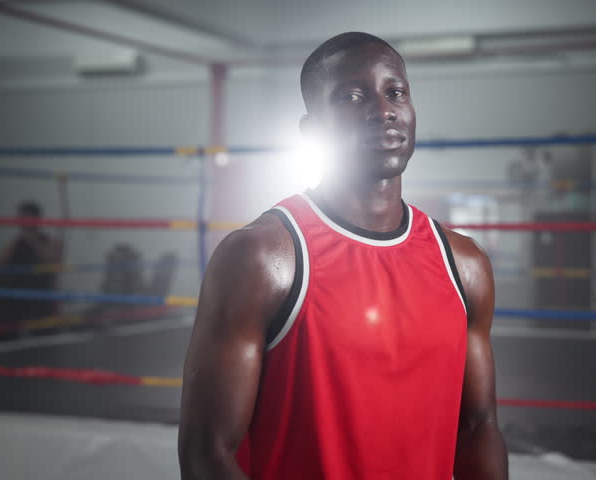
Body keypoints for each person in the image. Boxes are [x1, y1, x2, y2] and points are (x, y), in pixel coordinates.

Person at [179, 32, 508, 479]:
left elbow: (478, 427)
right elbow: (208, 453)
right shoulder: (263, 258)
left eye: (396, 92)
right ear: (313, 130)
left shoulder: (464, 264)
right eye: (352, 97)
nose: (383, 110)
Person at [0, 201, 63, 319]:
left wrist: (32, 239)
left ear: (36, 219)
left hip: (40, 296)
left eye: (25, 216)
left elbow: (52, 260)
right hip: (17, 295)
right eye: (20, 216)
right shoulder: (17, 242)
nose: (22, 220)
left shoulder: (49, 240)